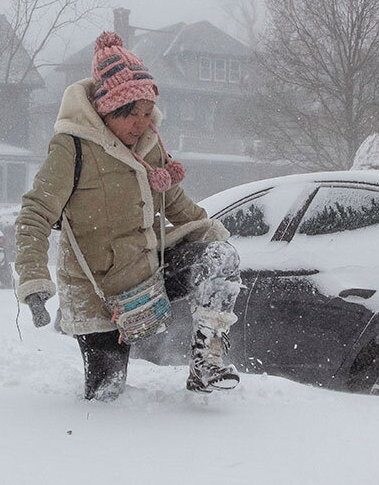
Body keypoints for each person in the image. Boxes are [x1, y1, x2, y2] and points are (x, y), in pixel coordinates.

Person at [14, 31, 243, 401]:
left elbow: (179, 207)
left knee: (219, 256)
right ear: (106, 110)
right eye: (130, 114)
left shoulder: (149, 147)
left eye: (146, 113)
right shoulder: (72, 147)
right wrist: (34, 281)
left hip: (149, 274)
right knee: (107, 397)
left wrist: (222, 238)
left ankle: (208, 362)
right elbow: (35, 214)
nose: (141, 124)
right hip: (98, 292)